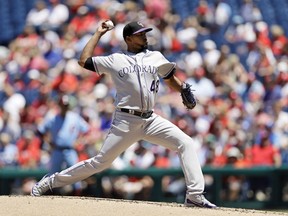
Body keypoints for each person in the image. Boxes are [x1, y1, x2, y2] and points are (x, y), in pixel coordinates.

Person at [31, 20, 217, 208]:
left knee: (186, 143)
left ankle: (194, 195)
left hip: (151, 119)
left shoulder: (155, 56)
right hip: (126, 120)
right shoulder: (115, 59)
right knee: (99, 163)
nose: (145, 36)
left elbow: (169, 78)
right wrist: (98, 34)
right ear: (128, 38)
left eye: (145, 32)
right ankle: (51, 181)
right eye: (140, 33)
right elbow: (83, 60)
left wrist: (182, 88)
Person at [36, 94, 90, 195]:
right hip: (57, 150)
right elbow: (40, 131)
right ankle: (52, 199)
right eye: (62, 105)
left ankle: (77, 198)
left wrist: (79, 141)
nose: (64, 107)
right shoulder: (53, 118)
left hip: (70, 150)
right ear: (59, 106)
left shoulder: (74, 117)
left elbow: (86, 130)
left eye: (66, 105)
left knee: (75, 174)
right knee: (52, 176)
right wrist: (48, 142)